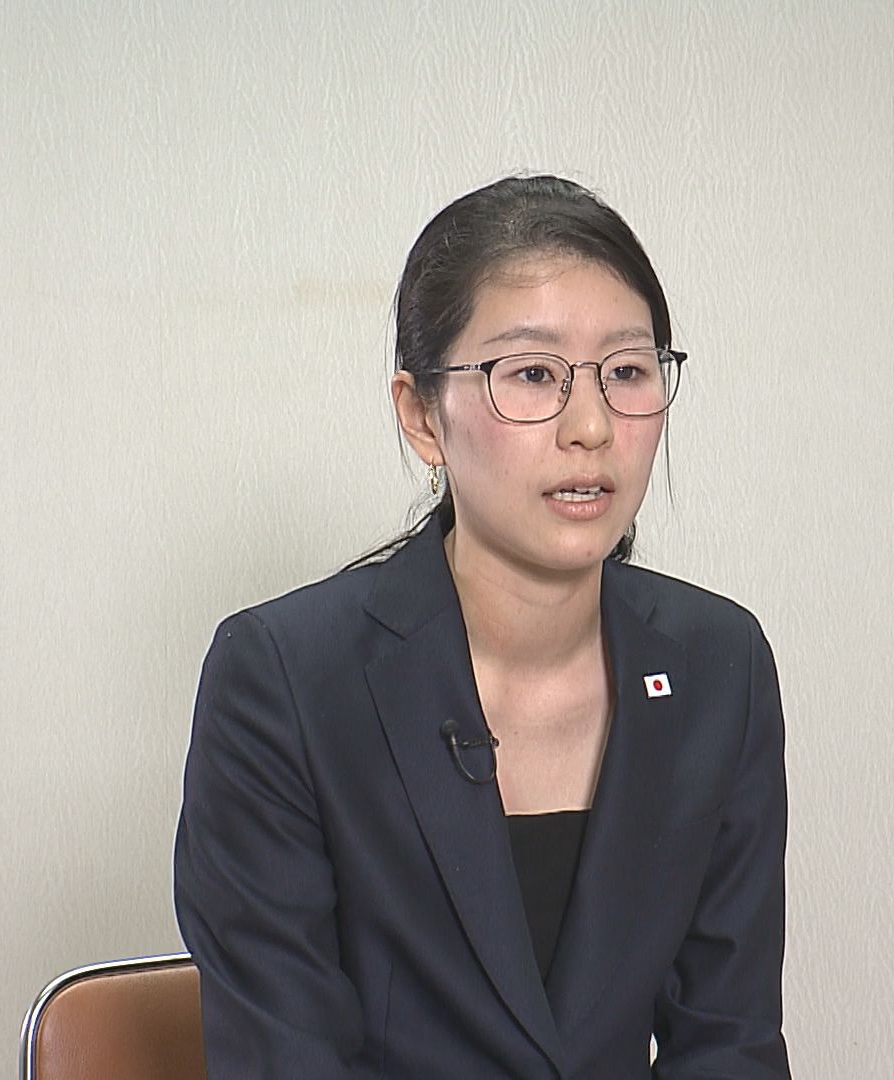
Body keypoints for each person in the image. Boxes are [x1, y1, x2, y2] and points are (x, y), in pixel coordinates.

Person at [173, 175, 790, 1079]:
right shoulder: (285, 680)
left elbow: (729, 1044)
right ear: (423, 415)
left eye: (627, 371)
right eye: (533, 375)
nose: (591, 426)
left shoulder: (717, 665)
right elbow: (285, 1058)